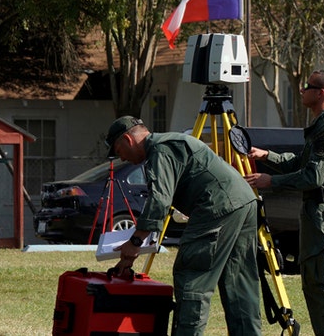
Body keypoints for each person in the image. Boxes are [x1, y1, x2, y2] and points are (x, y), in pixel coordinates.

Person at [104, 116, 262, 336]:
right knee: (238, 282)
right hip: (243, 201)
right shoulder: (170, 142)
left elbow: (159, 200)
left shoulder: (160, 150)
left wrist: (135, 242)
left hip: (217, 207)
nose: (121, 157)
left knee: (192, 276)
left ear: (128, 140)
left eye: (118, 150)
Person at [244, 70, 324, 336]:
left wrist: (272, 182)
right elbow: (301, 163)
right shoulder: (323, 124)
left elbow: (313, 176)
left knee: (322, 285)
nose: (302, 90)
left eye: (308, 87)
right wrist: (267, 155)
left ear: (321, 94)